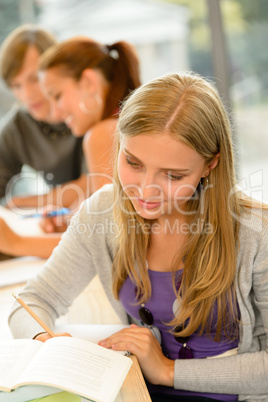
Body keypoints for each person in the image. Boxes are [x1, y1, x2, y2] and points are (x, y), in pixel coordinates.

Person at [9, 72, 268, 401]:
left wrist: (167, 371)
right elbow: (30, 304)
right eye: (133, 162)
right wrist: (46, 345)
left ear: (210, 165)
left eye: (173, 175)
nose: (146, 191)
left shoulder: (257, 232)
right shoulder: (102, 213)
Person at [0, 35, 141, 258]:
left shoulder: (102, 134)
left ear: (88, 82)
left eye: (56, 96)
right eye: (16, 85)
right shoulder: (122, 123)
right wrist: (71, 222)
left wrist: (16, 243)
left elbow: (108, 244)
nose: (54, 113)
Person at [0, 24, 85, 214]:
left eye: (34, 79)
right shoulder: (17, 127)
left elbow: (96, 186)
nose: (27, 95)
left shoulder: (89, 112)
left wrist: (22, 202)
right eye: (16, 85)